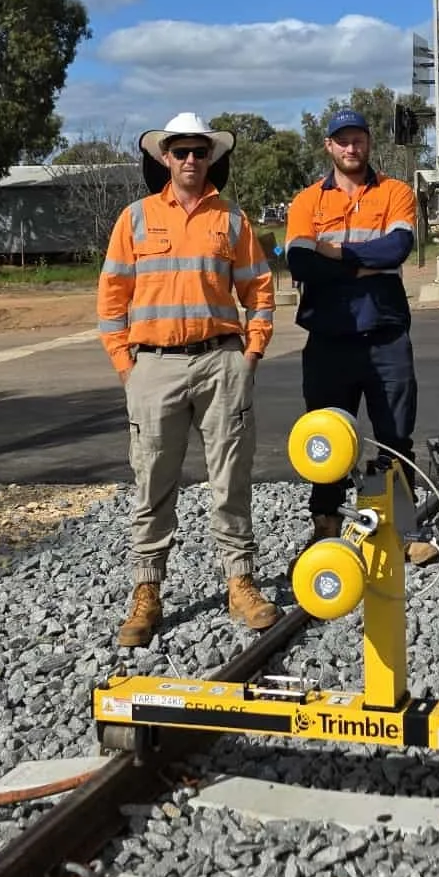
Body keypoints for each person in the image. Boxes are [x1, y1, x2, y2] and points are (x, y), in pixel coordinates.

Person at [97, 113, 278, 649]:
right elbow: (111, 300)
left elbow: (259, 292)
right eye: (181, 152)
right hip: (152, 368)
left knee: (231, 478)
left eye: (200, 152)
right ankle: (147, 591)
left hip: (221, 363)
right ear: (165, 159)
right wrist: (127, 367)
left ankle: (240, 581)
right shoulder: (134, 220)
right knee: (152, 480)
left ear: (210, 157)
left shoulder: (233, 221)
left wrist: (251, 352)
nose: (191, 160)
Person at [284, 109, 437, 563]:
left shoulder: (395, 192)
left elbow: (397, 248)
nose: (352, 148)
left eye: (359, 140)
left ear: (369, 144)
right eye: (342, 141)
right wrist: (361, 264)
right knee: (328, 438)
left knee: (393, 435)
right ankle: (326, 524)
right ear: (328, 146)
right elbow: (300, 262)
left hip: (385, 333)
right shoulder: (307, 201)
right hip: (329, 337)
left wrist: (333, 253)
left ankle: (400, 529)